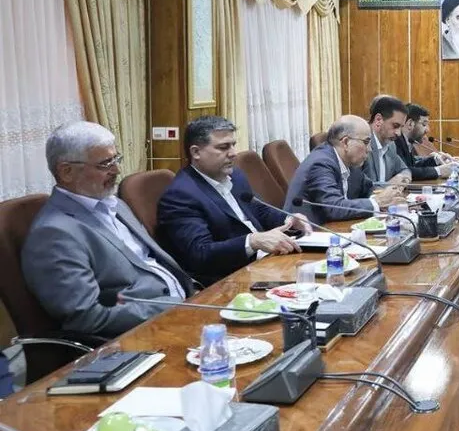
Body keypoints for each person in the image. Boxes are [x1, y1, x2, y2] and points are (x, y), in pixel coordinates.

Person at [23, 122, 194, 339]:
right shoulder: (54, 234)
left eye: (116, 159)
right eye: (105, 164)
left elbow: (148, 262)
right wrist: (171, 306)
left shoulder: (113, 203)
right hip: (142, 333)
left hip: (187, 306)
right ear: (66, 172)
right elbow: (87, 318)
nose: (117, 170)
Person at [157, 117, 312, 286]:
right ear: (196, 152)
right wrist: (253, 241)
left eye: (233, 145)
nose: (233, 153)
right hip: (229, 280)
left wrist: (289, 219)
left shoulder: (235, 175)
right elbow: (200, 253)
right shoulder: (181, 195)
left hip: (266, 262)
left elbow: (259, 210)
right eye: (223, 147)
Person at [284, 115, 405, 224]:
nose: (369, 149)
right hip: (307, 235)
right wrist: (377, 202)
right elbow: (334, 207)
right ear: (346, 142)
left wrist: (390, 195)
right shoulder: (320, 163)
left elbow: (368, 188)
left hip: (335, 228)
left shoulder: (349, 161)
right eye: (366, 142)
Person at [395, 103, 455, 181]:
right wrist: (439, 171)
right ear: (410, 124)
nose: (427, 130)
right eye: (424, 124)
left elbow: (413, 166)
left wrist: (435, 160)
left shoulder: (406, 141)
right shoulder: (395, 142)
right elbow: (405, 171)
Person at [364, 95, 412, 185]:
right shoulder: (362, 143)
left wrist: (403, 179)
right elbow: (362, 188)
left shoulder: (391, 145)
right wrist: (388, 186)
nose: (398, 133)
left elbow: (405, 170)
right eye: (395, 126)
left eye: (401, 127)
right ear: (378, 120)